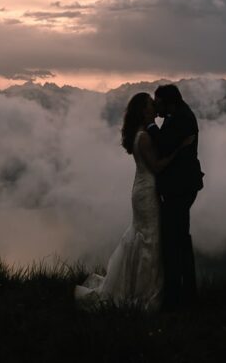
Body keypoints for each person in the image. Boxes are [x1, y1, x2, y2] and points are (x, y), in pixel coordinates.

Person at [74, 92, 195, 311]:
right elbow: (157, 167)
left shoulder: (138, 134)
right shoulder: (145, 137)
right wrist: (180, 148)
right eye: (150, 105)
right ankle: (143, 291)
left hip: (141, 188)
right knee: (149, 239)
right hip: (147, 192)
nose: (154, 108)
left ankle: (135, 285)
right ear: (143, 111)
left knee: (143, 236)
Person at [149, 84, 204, 311]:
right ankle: (184, 291)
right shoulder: (178, 114)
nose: (155, 106)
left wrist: (150, 124)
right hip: (181, 186)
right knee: (179, 237)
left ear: (167, 101)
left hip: (179, 188)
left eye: (157, 102)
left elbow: (162, 145)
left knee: (174, 240)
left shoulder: (180, 118)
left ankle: (177, 295)